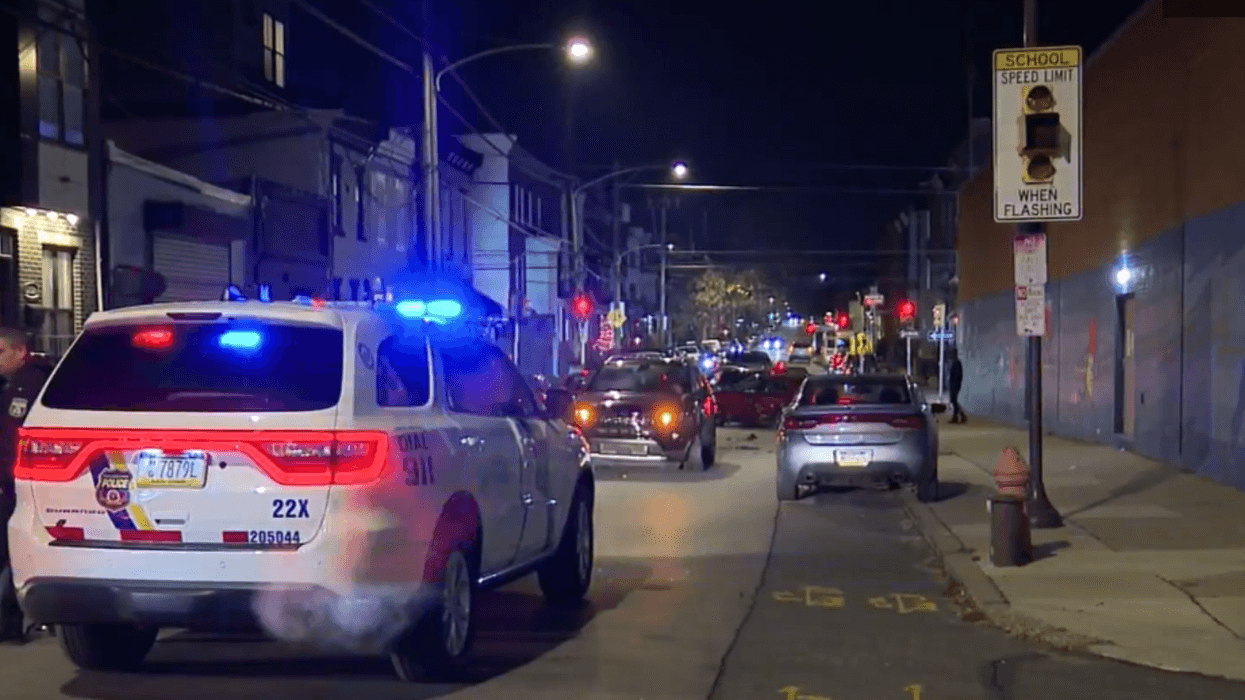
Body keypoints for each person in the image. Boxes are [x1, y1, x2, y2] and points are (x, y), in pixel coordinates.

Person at [0, 329, 54, 643]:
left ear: (21, 352)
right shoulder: (9, 386)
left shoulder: (34, 384)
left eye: (2, 351)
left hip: (20, 483)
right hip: (9, 482)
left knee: (12, 553)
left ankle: (10, 621)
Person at [948, 348, 966, 424]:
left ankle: (961, 416)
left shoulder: (957, 363)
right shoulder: (955, 362)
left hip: (955, 385)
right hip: (954, 384)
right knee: (953, 401)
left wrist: (956, 385)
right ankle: (957, 416)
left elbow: (958, 375)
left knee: (954, 401)